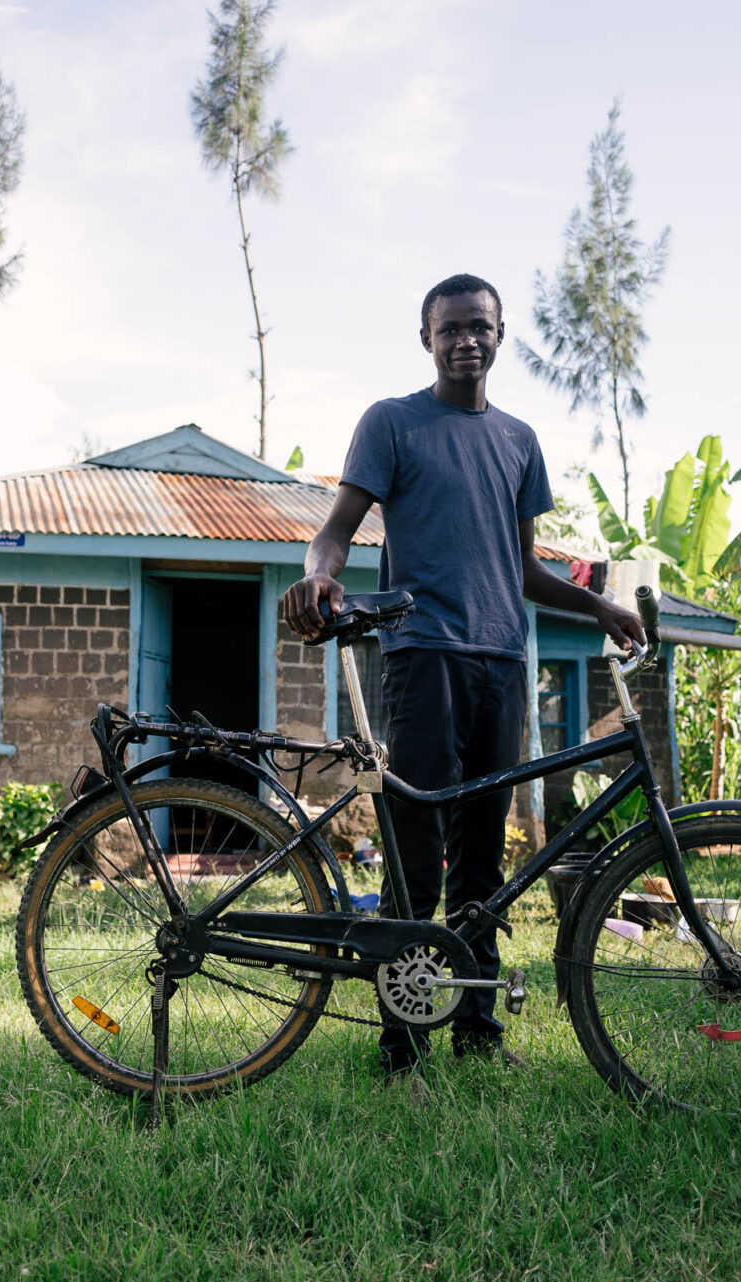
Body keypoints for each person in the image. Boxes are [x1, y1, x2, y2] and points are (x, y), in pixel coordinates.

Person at [282, 273, 645, 1092]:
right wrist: (318, 579)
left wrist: (597, 606)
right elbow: (334, 533)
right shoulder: (393, 422)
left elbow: (523, 571)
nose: (465, 341)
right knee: (416, 853)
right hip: (422, 657)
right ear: (427, 339)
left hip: (500, 666)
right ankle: (400, 1047)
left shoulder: (518, 440)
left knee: (485, 857)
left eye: (479, 327)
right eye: (449, 329)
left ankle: (477, 1031)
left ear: (500, 334)